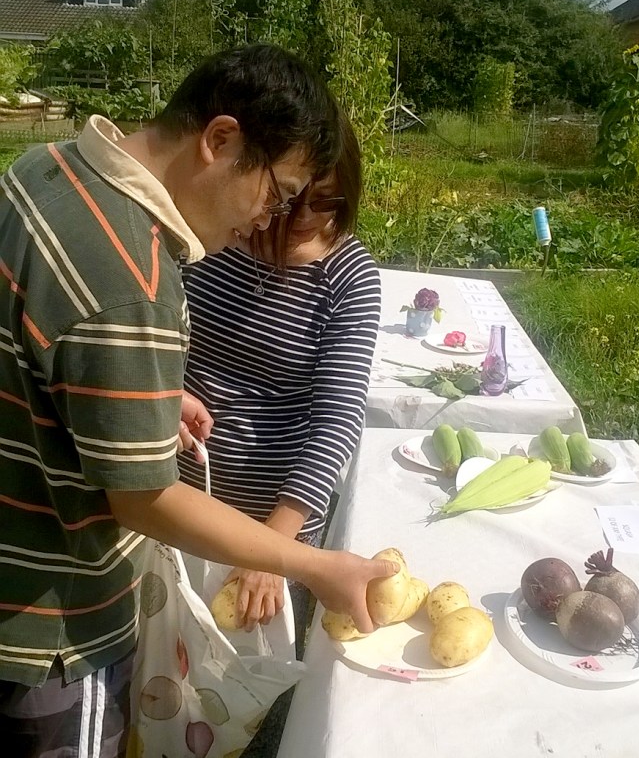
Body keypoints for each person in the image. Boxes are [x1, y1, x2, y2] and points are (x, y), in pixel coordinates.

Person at [0, 44, 397, 757]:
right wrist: (308, 562)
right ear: (220, 140)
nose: (272, 217)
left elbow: (48, 342)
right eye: (279, 194)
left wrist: (146, 391)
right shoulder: (134, 273)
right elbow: (144, 497)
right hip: (55, 621)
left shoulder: (44, 168)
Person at [179, 109, 380, 642]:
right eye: (295, 201)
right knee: (167, 655)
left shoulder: (348, 277)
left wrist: (275, 547)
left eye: (330, 200)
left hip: (277, 511)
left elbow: (336, 422)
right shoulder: (215, 240)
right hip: (181, 494)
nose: (312, 216)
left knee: (243, 674)